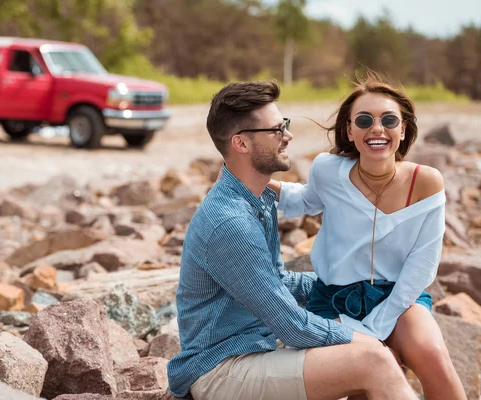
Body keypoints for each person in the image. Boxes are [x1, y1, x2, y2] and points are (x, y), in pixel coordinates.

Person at [167, 81, 419, 400]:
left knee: (376, 333)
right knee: (373, 359)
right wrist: (362, 340)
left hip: (256, 347)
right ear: (241, 143)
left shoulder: (257, 200)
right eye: (276, 129)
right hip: (220, 368)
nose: (287, 135)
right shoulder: (231, 221)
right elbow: (292, 325)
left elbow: (279, 281)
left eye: (284, 124)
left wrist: (361, 288)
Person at [268, 73, 466, 400]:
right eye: (364, 120)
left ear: (403, 129)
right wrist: (250, 179)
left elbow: (423, 265)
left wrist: (381, 322)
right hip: (332, 300)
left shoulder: (427, 182)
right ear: (349, 130)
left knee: (432, 353)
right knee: (368, 374)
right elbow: (304, 200)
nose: (377, 128)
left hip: (399, 298)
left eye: (389, 119)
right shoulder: (327, 169)